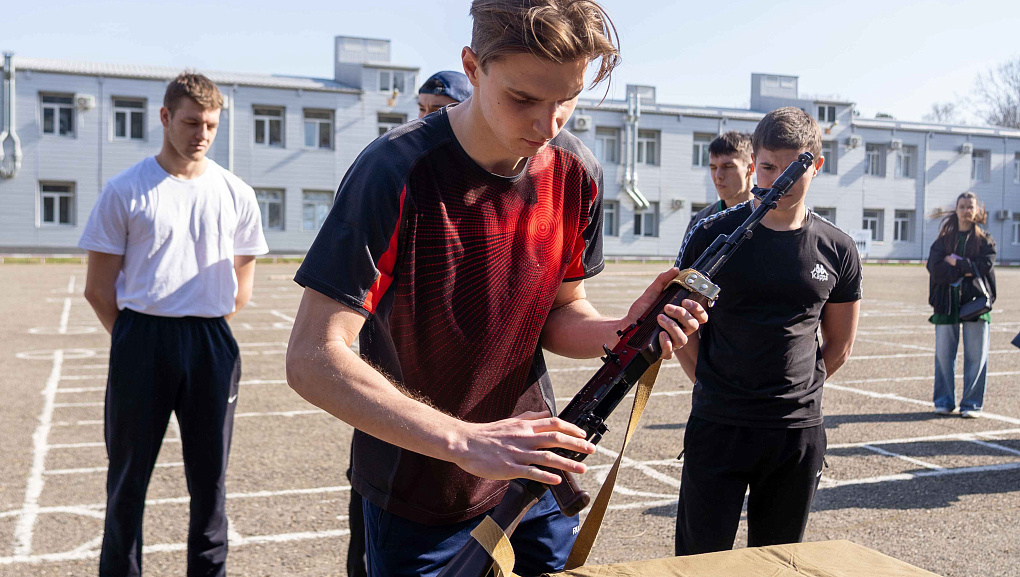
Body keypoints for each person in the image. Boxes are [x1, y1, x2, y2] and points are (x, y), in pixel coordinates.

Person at [284, 1, 706, 576]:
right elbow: (313, 356)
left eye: (568, 99)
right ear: (473, 68)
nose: (548, 124)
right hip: (420, 489)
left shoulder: (575, 172)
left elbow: (560, 313)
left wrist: (621, 329)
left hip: (535, 470)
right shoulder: (395, 171)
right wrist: (466, 441)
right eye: (524, 99)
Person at [79, 72, 268, 577]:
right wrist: (138, 335)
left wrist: (198, 318)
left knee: (210, 482)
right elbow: (98, 289)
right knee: (127, 479)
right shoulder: (126, 190)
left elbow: (241, 285)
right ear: (165, 118)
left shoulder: (236, 193)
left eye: (210, 124)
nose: (201, 133)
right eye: (190, 122)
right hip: (141, 336)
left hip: (210, 340)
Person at [673, 107, 862, 556]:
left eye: (791, 167)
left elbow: (839, 345)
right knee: (699, 561)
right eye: (768, 166)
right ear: (755, 162)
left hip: (795, 434)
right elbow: (683, 328)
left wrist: (793, 394)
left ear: (815, 165)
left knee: (777, 560)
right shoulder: (710, 236)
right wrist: (717, 385)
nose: (777, 178)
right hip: (718, 425)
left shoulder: (837, 248)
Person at [344, 68, 474, 577]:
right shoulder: (392, 171)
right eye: (421, 109)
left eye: (439, 109)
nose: (427, 120)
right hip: (392, 412)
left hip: (471, 421)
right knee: (371, 536)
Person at [926, 191, 996, 418]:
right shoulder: (943, 241)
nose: (966, 210)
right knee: (944, 357)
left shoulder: (985, 241)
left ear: (977, 211)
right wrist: (964, 267)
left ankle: (971, 405)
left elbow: (983, 266)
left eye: (970, 206)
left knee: (977, 357)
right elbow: (935, 269)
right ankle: (944, 402)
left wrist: (955, 261)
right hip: (946, 305)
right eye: (962, 206)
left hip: (977, 305)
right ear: (955, 210)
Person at [685, 131, 755, 237]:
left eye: (727, 167)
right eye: (713, 168)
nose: (718, 175)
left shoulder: (773, 214)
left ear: (751, 168)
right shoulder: (702, 223)